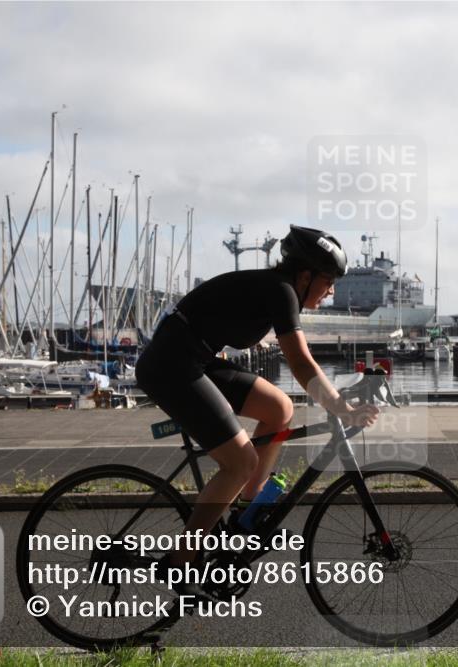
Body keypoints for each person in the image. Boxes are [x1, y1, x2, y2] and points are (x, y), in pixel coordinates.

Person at [134, 225, 379, 592]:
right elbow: (301, 363)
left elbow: (300, 366)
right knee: (240, 461)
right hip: (170, 366)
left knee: (279, 408)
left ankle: (250, 503)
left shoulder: (280, 289)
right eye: (328, 281)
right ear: (305, 274)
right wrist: (342, 407)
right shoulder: (281, 292)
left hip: (194, 359)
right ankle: (180, 562)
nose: (331, 292)